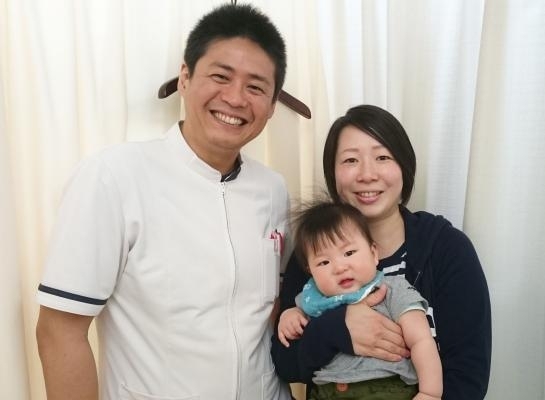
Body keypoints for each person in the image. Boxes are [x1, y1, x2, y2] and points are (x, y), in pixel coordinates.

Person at [36, 4, 292, 400]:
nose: (235, 98)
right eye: (220, 76)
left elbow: (271, 311)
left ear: (272, 105)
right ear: (185, 77)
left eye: (256, 87)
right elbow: (59, 330)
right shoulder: (113, 177)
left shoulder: (273, 189)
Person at [271, 104, 492, 400]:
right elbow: (286, 364)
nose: (367, 174)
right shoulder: (315, 254)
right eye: (350, 160)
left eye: (382, 157)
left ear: (404, 166)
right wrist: (337, 329)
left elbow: (468, 377)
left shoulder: (447, 248)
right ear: (333, 174)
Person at [278, 200, 442, 400]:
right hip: (326, 391)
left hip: (385, 388)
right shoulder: (314, 300)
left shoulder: (391, 289)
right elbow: (293, 336)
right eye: (324, 262)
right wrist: (290, 315)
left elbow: (421, 340)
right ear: (310, 271)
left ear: (374, 253)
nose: (339, 267)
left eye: (349, 253)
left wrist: (429, 392)